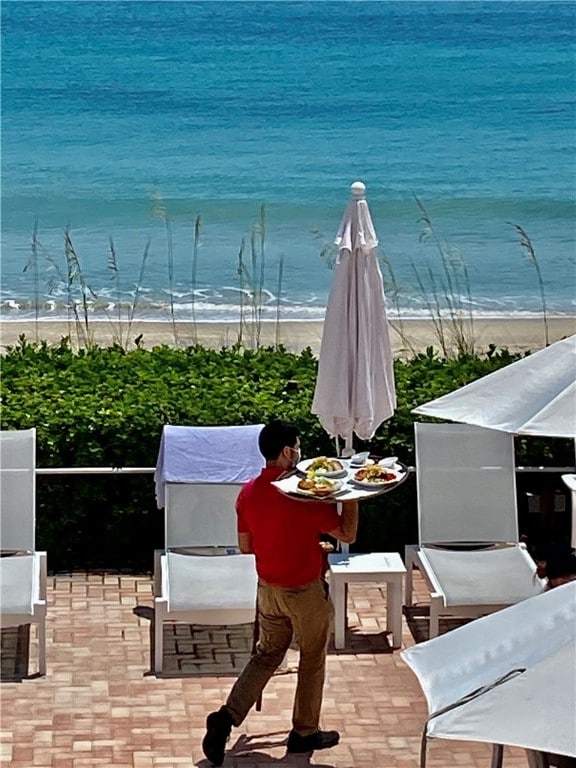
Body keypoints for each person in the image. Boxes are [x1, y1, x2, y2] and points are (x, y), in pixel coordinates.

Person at [202, 420, 359, 766]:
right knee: (312, 658)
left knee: (266, 656)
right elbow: (347, 534)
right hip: (303, 592)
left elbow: (247, 546)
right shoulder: (300, 492)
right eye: (298, 447)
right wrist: (351, 495)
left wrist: (296, 541)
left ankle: (225, 717)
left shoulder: (248, 493)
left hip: (268, 590)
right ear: (288, 452)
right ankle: (304, 733)